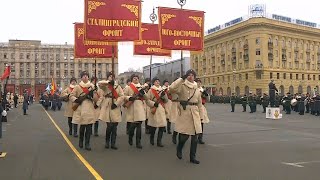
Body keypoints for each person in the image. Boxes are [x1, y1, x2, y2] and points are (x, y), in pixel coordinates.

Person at [169, 69, 203, 164]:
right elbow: (171, 89)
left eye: (192, 75)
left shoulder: (197, 88)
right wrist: (181, 79)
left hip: (195, 112)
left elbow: (199, 103)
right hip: (185, 112)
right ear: (186, 76)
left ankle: (192, 157)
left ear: (195, 77)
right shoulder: (182, 86)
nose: (190, 76)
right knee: (184, 136)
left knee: (195, 137)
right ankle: (179, 148)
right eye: (188, 75)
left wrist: (201, 115)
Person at [97, 72, 125, 150]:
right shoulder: (105, 85)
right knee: (109, 126)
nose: (111, 77)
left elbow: (122, 96)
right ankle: (107, 141)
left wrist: (116, 103)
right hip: (107, 106)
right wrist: (109, 82)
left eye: (112, 76)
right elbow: (99, 84)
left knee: (114, 127)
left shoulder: (118, 86)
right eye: (109, 76)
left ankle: (113, 143)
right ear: (107, 77)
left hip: (115, 106)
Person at [70, 71, 97, 151]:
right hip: (80, 108)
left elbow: (96, 99)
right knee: (82, 127)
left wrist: (92, 95)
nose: (85, 77)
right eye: (83, 76)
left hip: (89, 108)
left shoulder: (92, 86)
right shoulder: (78, 87)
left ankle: (87, 143)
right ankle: (81, 141)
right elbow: (71, 96)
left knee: (89, 128)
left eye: (86, 76)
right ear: (81, 77)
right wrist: (77, 100)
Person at [123, 74, 148, 149]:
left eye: (137, 78)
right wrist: (129, 98)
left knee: (139, 125)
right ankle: (130, 137)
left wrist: (143, 93)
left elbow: (146, 98)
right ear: (131, 79)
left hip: (140, 106)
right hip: (132, 106)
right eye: (134, 78)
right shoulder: (128, 87)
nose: (136, 79)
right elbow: (124, 96)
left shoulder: (141, 87)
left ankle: (138, 142)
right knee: (133, 125)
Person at [146, 77, 168, 147]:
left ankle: (159, 141)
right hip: (154, 108)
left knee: (161, 127)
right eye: (156, 81)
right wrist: (153, 104)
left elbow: (166, 100)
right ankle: (152, 138)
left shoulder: (162, 90)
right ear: (153, 82)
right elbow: (147, 100)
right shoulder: (151, 90)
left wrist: (164, 95)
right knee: (153, 127)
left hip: (161, 108)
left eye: (158, 81)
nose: (157, 82)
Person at [196, 78, 209, 145]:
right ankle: (195, 137)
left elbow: (207, 100)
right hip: (195, 107)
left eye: (200, 82)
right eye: (198, 82)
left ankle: (200, 138)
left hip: (201, 107)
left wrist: (206, 95)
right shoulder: (194, 90)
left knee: (201, 122)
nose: (199, 83)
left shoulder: (202, 90)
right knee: (195, 123)